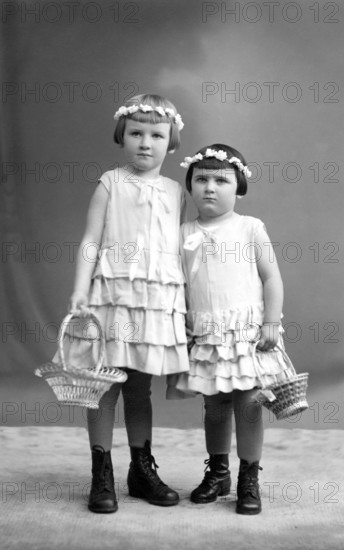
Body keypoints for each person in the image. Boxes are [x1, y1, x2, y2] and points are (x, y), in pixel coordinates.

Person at [63, 94, 188, 513]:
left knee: (139, 387)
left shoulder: (175, 190)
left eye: (157, 134)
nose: (145, 142)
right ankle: (101, 472)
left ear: (171, 143)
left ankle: (141, 468)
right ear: (122, 137)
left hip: (155, 300)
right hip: (112, 295)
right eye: (136, 133)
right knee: (104, 383)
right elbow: (90, 240)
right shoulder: (110, 183)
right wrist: (80, 289)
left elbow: (181, 250)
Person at [169, 143, 290, 515]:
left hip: (247, 333)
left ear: (238, 187)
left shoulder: (249, 228)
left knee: (249, 403)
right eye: (201, 179)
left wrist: (272, 320)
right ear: (189, 186)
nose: (210, 187)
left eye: (221, 180)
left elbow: (271, 277)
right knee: (215, 405)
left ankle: (248, 476)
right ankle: (218, 472)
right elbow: (178, 284)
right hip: (205, 334)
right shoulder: (183, 232)